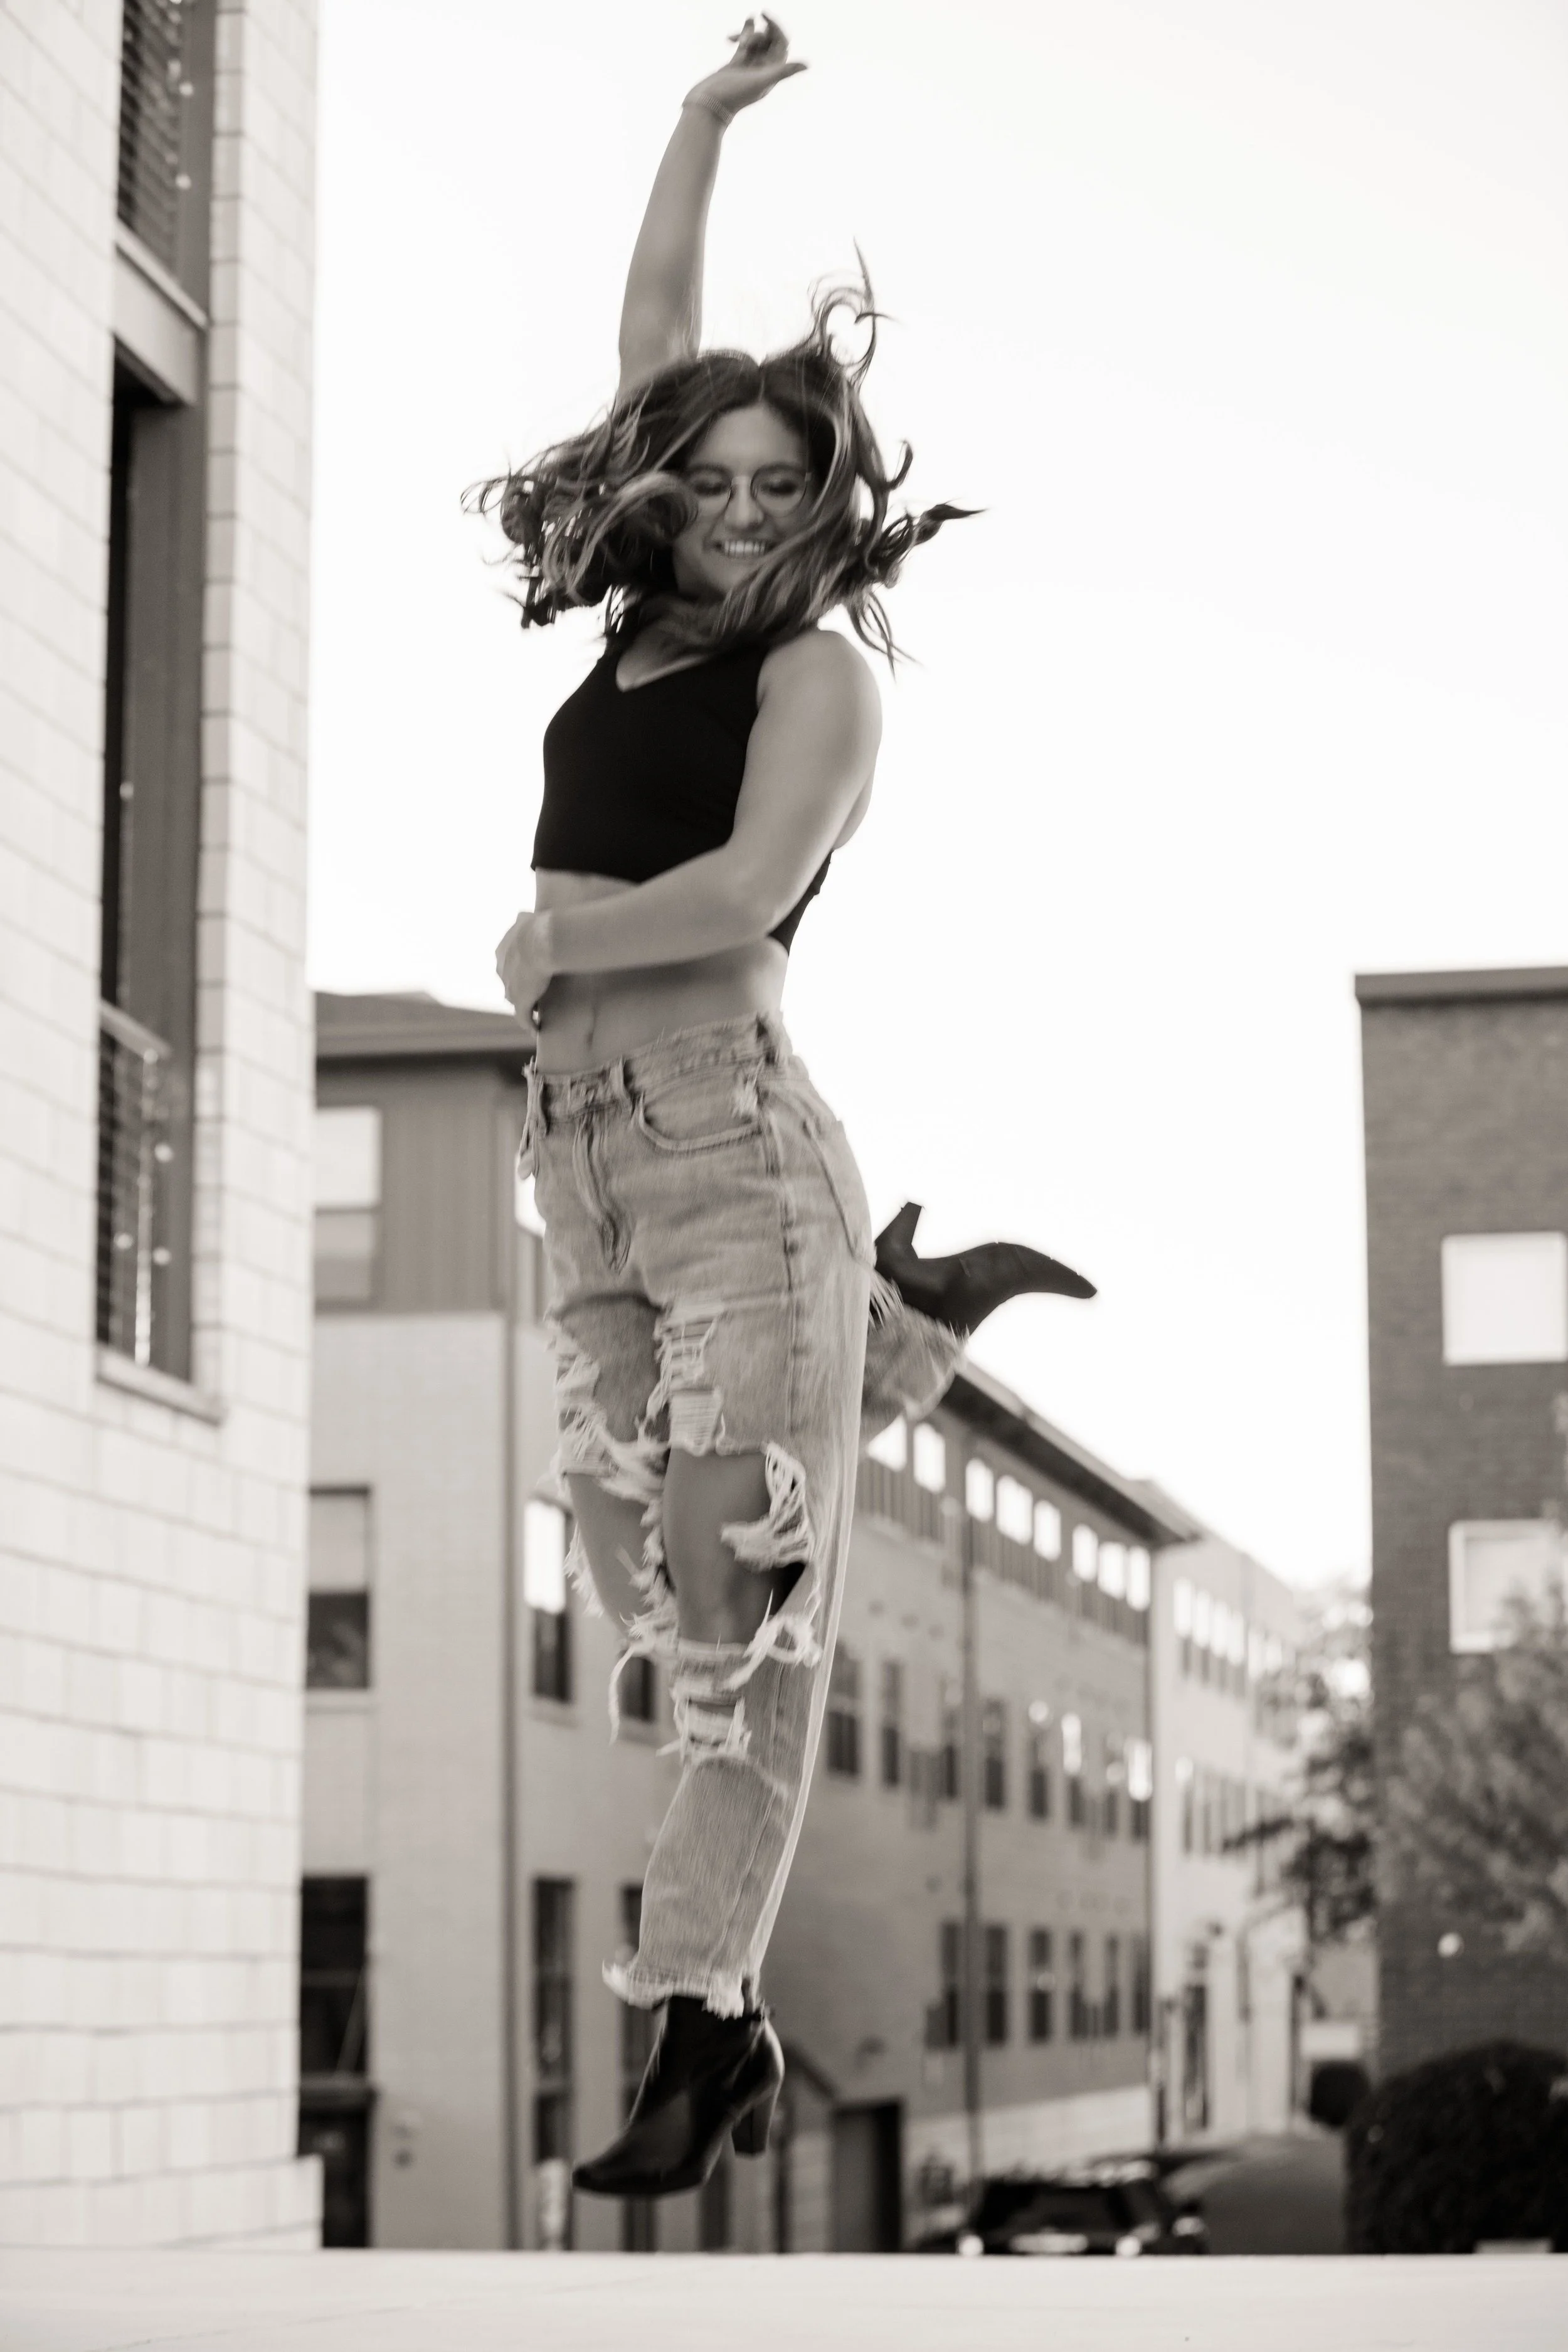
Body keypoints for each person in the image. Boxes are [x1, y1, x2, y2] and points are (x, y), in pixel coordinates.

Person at [479, 16, 1093, 2203]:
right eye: (717, 474)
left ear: (824, 505)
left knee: (735, 1626)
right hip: (583, 1160)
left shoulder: (816, 674)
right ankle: (899, 1337)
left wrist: (549, 944)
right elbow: (653, 334)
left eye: (780, 483)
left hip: (726, 1136)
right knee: (634, 1575)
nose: (742, 504)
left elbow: (746, 896)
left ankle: (698, 2017)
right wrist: (695, 120)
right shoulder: (637, 617)